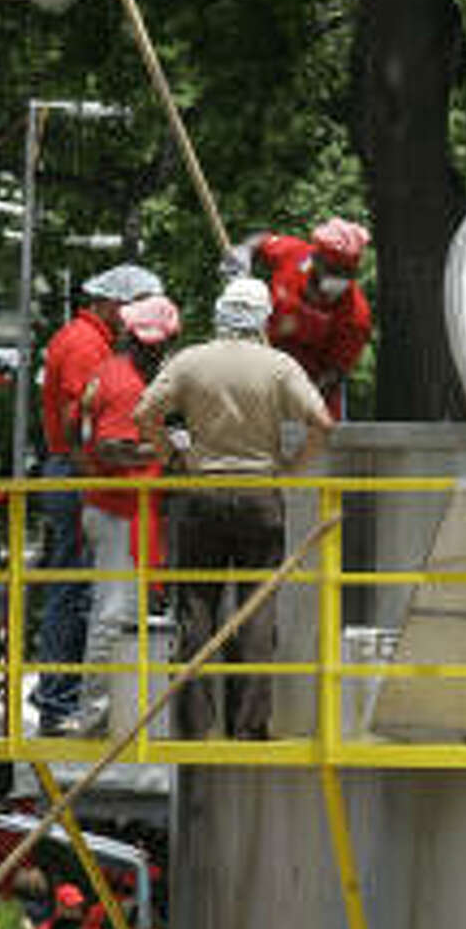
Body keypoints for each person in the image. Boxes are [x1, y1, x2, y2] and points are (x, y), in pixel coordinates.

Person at [134, 275, 335, 738]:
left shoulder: (190, 362)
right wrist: (291, 468)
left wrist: (173, 456)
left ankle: (193, 726)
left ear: (220, 315)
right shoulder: (278, 366)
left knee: (195, 610)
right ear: (262, 319)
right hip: (260, 493)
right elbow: (322, 421)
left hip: (201, 492)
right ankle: (249, 726)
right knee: (257, 611)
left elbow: (144, 413)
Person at [35, 263, 164, 732]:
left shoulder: (86, 340)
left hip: (77, 473)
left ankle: (61, 698)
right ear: (115, 304)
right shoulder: (86, 345)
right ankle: (60, 702)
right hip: (80, 477)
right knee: (73, 591)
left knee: (79, 590)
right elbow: (82, 423)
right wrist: (94, 471)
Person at [63, 294, 182, 736]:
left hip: (125, 508)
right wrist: (169, 450)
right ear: (134, 338)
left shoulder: (110, 372)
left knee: (123, 613)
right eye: (152, 342)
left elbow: (74, 427)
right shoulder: (125, 381)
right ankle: (97, 718)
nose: (157, 350)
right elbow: (112, 447)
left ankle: (115, 714)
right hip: (122, 512)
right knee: (113, 614)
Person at [253, 218, 372, 415]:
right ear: (316, 259)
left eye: (348, 274)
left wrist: (299, 402)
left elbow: (334, 374)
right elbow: (260, 241)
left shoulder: (355, 315)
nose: (340, 279)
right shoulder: (295, 255)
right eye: (334, 270)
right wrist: (241, 254)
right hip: (262, 374)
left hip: (312, 400)